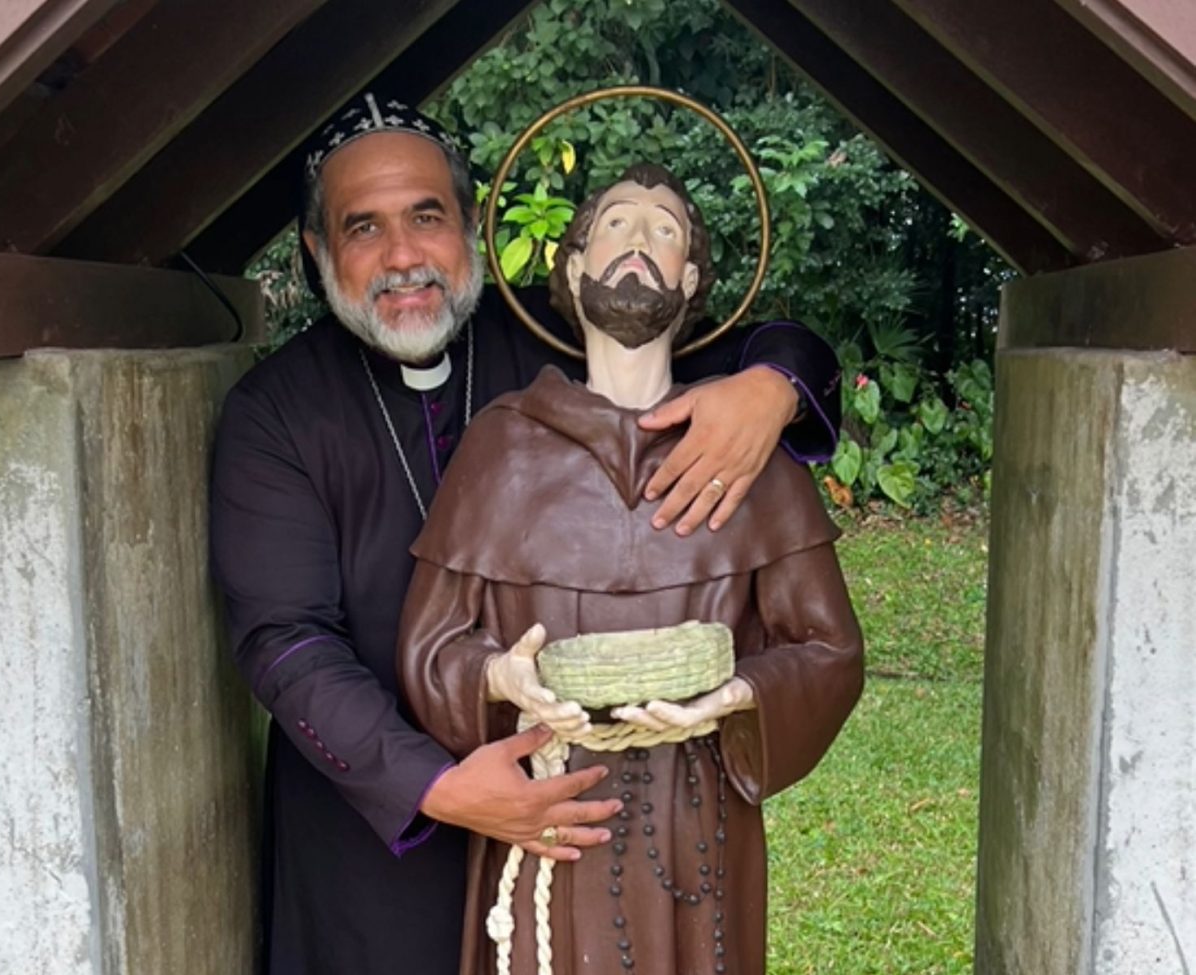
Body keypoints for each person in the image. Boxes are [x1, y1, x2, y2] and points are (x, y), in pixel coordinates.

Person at [209, 94, 843, 975]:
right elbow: (285, 641)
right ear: (319, 252)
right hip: (377, 835)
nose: (402, 258)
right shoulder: (276, 412)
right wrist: (434, 785)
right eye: (363, 228)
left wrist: (775, 384)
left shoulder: (548, 346)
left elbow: (735, 341)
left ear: (471, 224)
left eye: (427, 217)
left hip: (564, 834)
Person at [397, 163, 864, 975]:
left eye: (665, 229)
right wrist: (501, 677)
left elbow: (828, 649)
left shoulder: (748, 456)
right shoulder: (501, 445)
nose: (639, 243)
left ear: (690, 281)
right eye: (615, 223)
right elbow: (433, 647)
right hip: (544, 809)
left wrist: (739, 695)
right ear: (575, 270)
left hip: (696, 819)